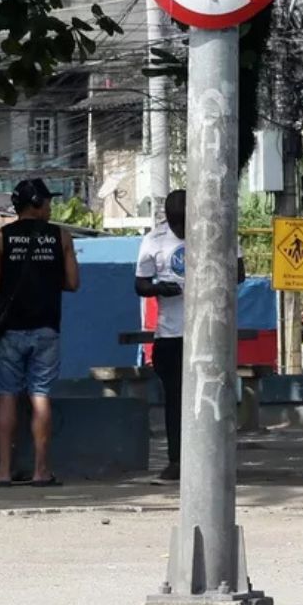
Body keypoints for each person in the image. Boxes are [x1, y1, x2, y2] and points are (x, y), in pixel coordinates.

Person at [0, 178, 78, 486]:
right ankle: (41, 470)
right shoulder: (60, 237)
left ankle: (2, 470)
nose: (51, 207)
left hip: (9, 329)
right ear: (36, 203)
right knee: (40, 396)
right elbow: (73, 283)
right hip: (47, 327)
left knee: (7, 397)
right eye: (48, 202)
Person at [136, 189, 190, 482]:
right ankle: (176, 459)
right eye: (176, 225)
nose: (181, 231)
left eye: (186, 223)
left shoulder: (217, 231)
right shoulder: (153, 241)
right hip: (170, 334)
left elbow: (239, 274)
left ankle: (213, 458)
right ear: (167, 219)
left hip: (208, 333)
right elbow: (140, 285)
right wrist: (159, 288)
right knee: (175, 400)